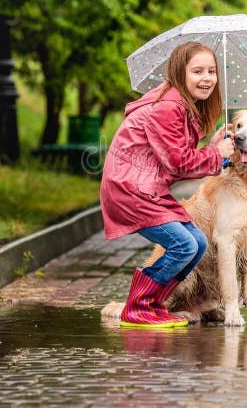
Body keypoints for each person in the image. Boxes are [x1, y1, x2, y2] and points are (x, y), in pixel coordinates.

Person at [100, 41, 235, 327]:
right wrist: (216, 154)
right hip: (131, 189)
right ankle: (138, 307)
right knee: (184, 245)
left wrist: (211, 148)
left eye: (212, 71)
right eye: (197, 71)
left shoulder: (178, 104)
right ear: (180, 73)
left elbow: (172, 154)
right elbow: (178, 163)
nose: (207, 78)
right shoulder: (168, 107)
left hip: (147, 187)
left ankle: (153, 303)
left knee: (197, 243)